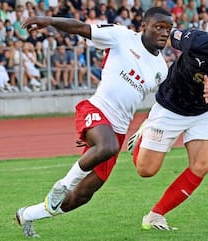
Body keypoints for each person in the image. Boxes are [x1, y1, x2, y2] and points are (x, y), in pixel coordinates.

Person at [14, 7, 173, 238]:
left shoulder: (161, 69)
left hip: (118, 129)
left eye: (168, 29)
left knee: (83, 196)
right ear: (144, 26)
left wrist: (146, 127)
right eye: (159, 27)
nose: (164, 33)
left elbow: (161, 101)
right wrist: (48, 20)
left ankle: (27, 214)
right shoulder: (121, 36)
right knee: (106, 147)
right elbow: (81, 27)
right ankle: (63, 185)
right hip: (96, 110)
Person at [127, 8, 208, 230]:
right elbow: (165, 36)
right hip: (170, 106)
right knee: (145, 171)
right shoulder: (196, 40)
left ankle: (156, 215)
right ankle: (144, 132)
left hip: (203, 113)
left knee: (203, 165)